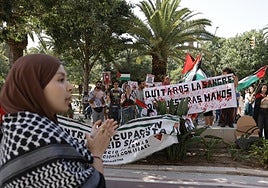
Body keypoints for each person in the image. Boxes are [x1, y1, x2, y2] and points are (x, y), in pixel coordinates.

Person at [0, 54, 118, 187]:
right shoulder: (33, 139)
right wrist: (96, 153)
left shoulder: (27, 128)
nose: (70, 87)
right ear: (34, 86)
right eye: (61, 79)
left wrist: (90, 144)